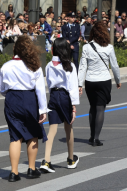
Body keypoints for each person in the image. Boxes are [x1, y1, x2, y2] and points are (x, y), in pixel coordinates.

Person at [0, 35, 48, 182]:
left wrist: (11, 94)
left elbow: (1, 89)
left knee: (15, 137)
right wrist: (43, 109)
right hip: (29, 99)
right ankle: (32, 169)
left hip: (12, 99)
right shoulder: (35, 66)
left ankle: (14, 172)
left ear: (15, 49)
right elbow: (40, 90)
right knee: (32, 134)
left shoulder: (6, 66)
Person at [77, 22, 121, 147]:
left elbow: (82, 67)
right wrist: (118, 80)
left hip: (90, 81)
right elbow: (115, 66)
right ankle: (96, 138)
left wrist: (79, 84)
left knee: (92, 107)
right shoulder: (109, 48)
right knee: (100, 108)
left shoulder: (86, 47)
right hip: (104, 80)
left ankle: (91, 136)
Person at [40, 38, 80, 173]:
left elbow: (49, 85)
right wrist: (74, 105)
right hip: (64, 96)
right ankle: (70, 159)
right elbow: (73, 86)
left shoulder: (49, 65)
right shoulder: (70, 65)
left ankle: (46, 160)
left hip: (53, 96)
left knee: (52, 129)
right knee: (68, 127)